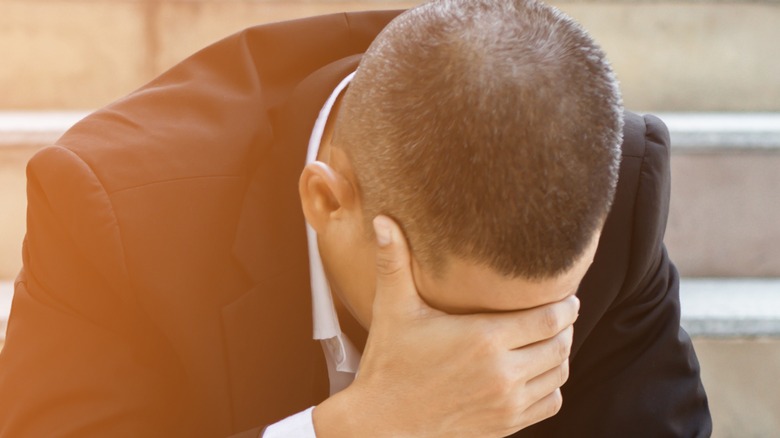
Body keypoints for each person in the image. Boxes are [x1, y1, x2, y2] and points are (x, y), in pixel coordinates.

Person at [0, 0, 711, 436]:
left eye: (537, 323)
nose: (486, 358)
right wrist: (355, 431)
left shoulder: (608, 180)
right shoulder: (112, 216)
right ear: (326, 202)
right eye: (454, 318)